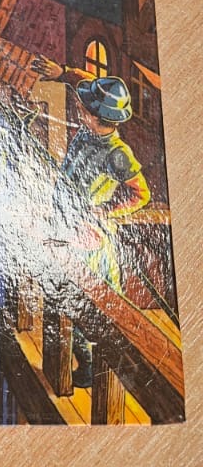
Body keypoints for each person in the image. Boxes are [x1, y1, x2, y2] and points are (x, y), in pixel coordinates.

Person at [53, 74, 149, 386]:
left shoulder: (117, 154)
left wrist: (106, 211)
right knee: (65, 299)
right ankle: (84, 364)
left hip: (90, 240)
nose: (80, 111)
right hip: (66, 227)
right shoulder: (84, 136)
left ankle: (92, 367)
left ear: (98, 117)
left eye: (85, 109)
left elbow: (141, 194)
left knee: (87, 306)